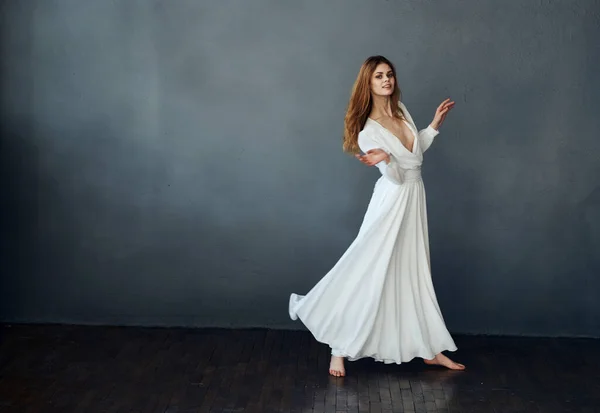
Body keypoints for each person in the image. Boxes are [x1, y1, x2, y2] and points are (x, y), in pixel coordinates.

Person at [288, 55, 465, 377]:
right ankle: (338, 349)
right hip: (393, 201)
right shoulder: (367, 132)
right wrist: (387, 158)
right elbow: (396, 176)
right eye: (379, 76)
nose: (386, 80)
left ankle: (431, 349)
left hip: (414, 198)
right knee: (369, 269)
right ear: (368, 84)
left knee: (413, 272)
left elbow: (414, 155)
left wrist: (434, 125)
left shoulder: (401, 111)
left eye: (390, 75)